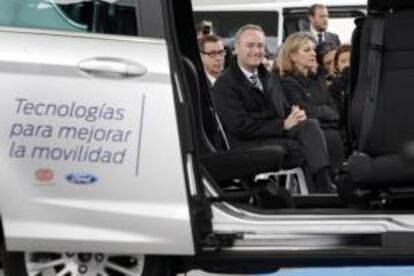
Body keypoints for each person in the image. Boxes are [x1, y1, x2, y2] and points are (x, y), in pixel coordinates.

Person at [212, 24, 333, 193]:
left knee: (310, 125)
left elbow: (283, 109)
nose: (256, 50)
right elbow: (240, 127)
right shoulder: (225, 84)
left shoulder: (269, 78)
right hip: (247, 143)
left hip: (275, 134)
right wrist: (283, 125)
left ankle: (322, 188)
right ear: (236, 48)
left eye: (260, 46)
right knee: (307, 147)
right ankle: (322, 190)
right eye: (250, 45)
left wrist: (295, 115)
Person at [277, 32, 344, 173]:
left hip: (329, 130)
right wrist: (325, 111)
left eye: (313, 49)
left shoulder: (318, 80)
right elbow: (304, 112)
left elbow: (335, 112)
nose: (313, 54)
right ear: (293, 56)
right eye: (307, 50)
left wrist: (322, 112)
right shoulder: (286, 82)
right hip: (310, 134)